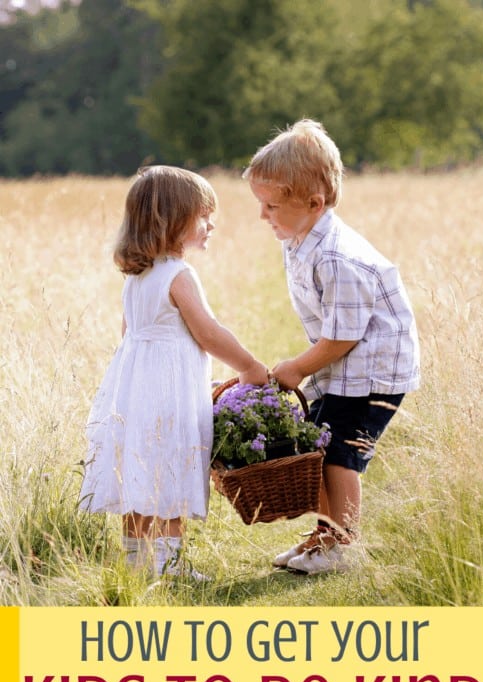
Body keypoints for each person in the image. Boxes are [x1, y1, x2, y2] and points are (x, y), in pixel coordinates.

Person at [244, 120, 420, 575]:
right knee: (317, 447)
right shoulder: (299, 239)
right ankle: (324, 535)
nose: (263, 216)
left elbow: (345, 334)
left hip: (372, 371)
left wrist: (298, 367)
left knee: (340, 454)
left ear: (314, 203)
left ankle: (343, 545)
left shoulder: (337, 257)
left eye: (271, 206)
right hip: (343, 369)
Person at [80, 165, 267, 581]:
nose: (211, 224)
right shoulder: (180, 275)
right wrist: (250, 367)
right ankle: (168, 566)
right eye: (203, 215)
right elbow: (209, 334)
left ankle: (135, 559)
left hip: (135, 392)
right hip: (168, 394)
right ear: (173, 220)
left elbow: (129, 334)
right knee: (169, 468)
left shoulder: (137, 278)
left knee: (140, 469)